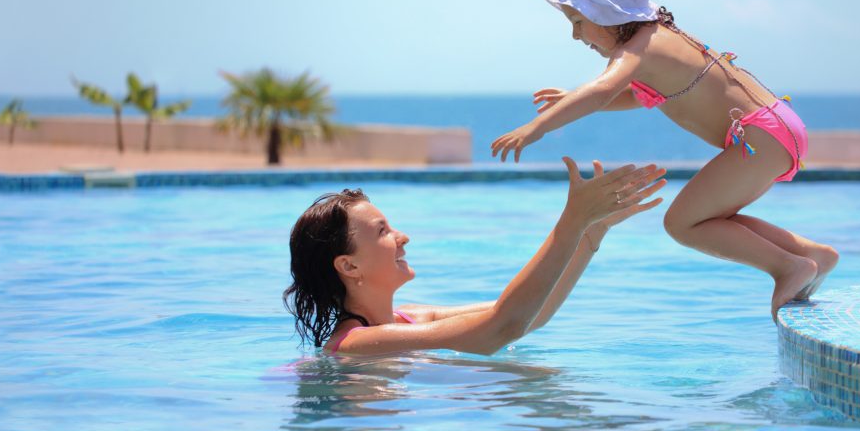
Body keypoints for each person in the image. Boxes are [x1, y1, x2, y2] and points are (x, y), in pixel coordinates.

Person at [491, 0, 839, 320]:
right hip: (773, 129)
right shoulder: (656, 39)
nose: (576, 36)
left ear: (605, 13)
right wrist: (573, 96)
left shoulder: (642, 47)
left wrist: (536, 127)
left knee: (682, 223)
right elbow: (637, 96)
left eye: (578, 21)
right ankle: (809, 254)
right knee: (711, 218)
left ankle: (788, 267)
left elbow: (602, 90)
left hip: (760, 137)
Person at [284, 158, 666, 355]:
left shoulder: (412, 318)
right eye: (383, 231)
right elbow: (500, 329)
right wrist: (571, 220)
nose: (403, 237)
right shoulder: (355, 344)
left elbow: (533, 312)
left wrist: (591, 231)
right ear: (348, 265)